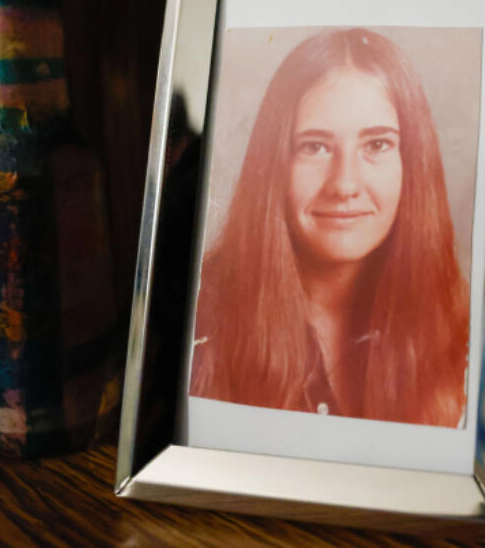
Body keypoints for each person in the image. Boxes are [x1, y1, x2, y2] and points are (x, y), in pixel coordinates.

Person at [190, 28, 469, 427]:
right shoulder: (201, 319)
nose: (344, 185)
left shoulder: (457, 323)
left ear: (413, 164)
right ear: (274, 167)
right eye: (315, 147)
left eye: (377, 145)